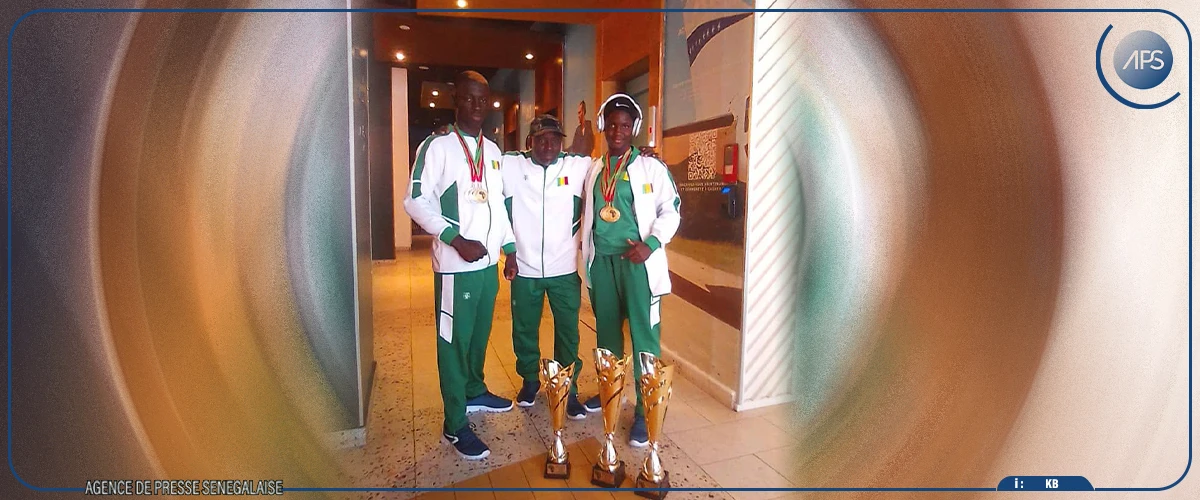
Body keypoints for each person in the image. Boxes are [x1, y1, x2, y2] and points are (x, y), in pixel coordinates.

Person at [404, 70, 518, 461]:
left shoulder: (494, 152)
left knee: (478, 335)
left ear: (489, 103)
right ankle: (454, 424)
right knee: (452, 343)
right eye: (468, 98)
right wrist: (454, 238)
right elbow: (415, 200)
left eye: (482, 100)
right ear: (456, 98)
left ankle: (473, 390)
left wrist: (510, 249)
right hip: (455, 267)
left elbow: (499, 205)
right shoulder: (437, 147)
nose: (476, 106)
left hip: (487, 268)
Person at [579, 93, 681, 447]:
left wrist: (650, 244)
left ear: (634, 128)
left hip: (638, 265)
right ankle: (611, 392)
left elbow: (672, 210)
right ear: (603, 125)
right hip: (603, 263)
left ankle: (643, 410)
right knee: (606, 336)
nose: (618, 131)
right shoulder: (595, 168)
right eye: (612, 124)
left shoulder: (651, 168)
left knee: (643, 339)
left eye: (625, 125)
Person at [500, 115, 592, 418]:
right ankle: (529, 379)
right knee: (524, 328)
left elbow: (612, 166)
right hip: (524, 268)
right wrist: (509, 250)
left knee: (568, 332)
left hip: (564, 268)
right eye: (541, 139)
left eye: (554, 139)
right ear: (530, 141)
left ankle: (569, 387)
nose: (548, 145)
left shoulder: (577, 166)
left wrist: (643, 156)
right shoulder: (511, 166)